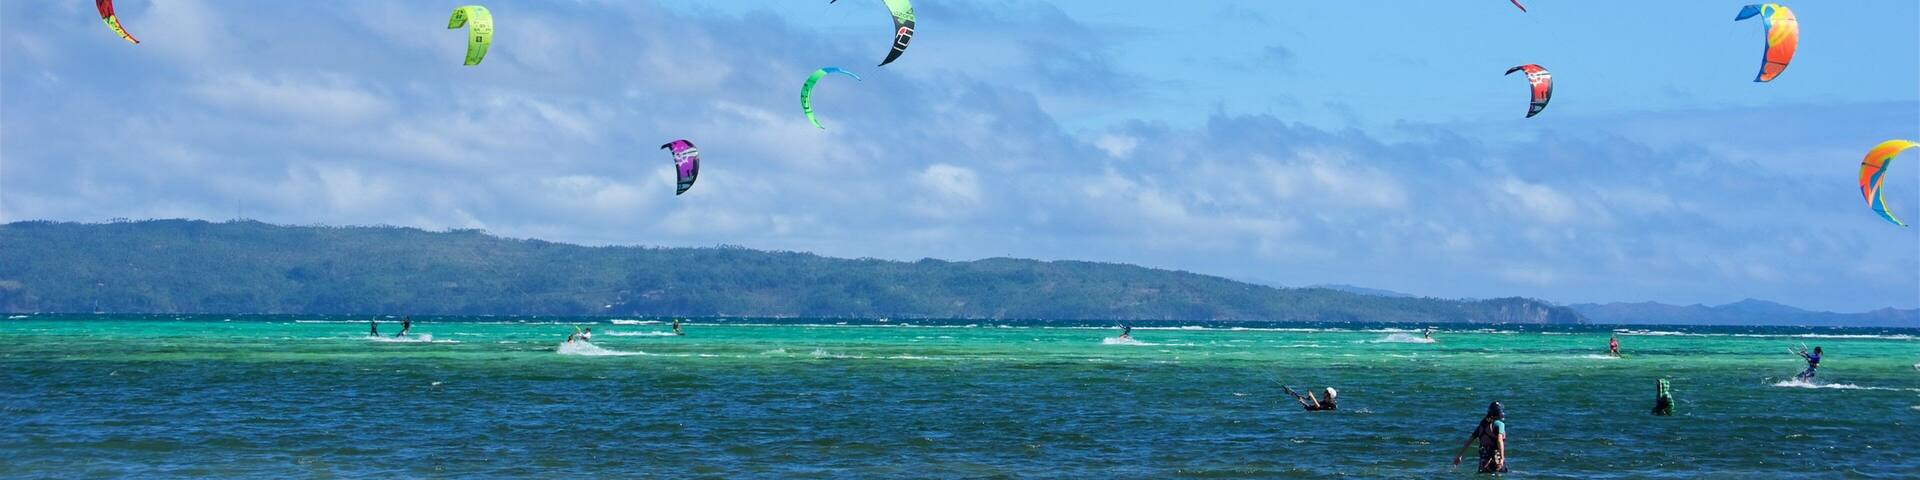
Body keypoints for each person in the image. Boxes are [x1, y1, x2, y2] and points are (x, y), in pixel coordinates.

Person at [1454, 401, 1507, 474]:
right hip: (1496, 460)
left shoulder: (1482, 426)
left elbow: (1470, 440)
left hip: (1483, 462)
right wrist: (1501, 458)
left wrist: (1459, 455)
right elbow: (1499, 441)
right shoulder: (1499, 424)